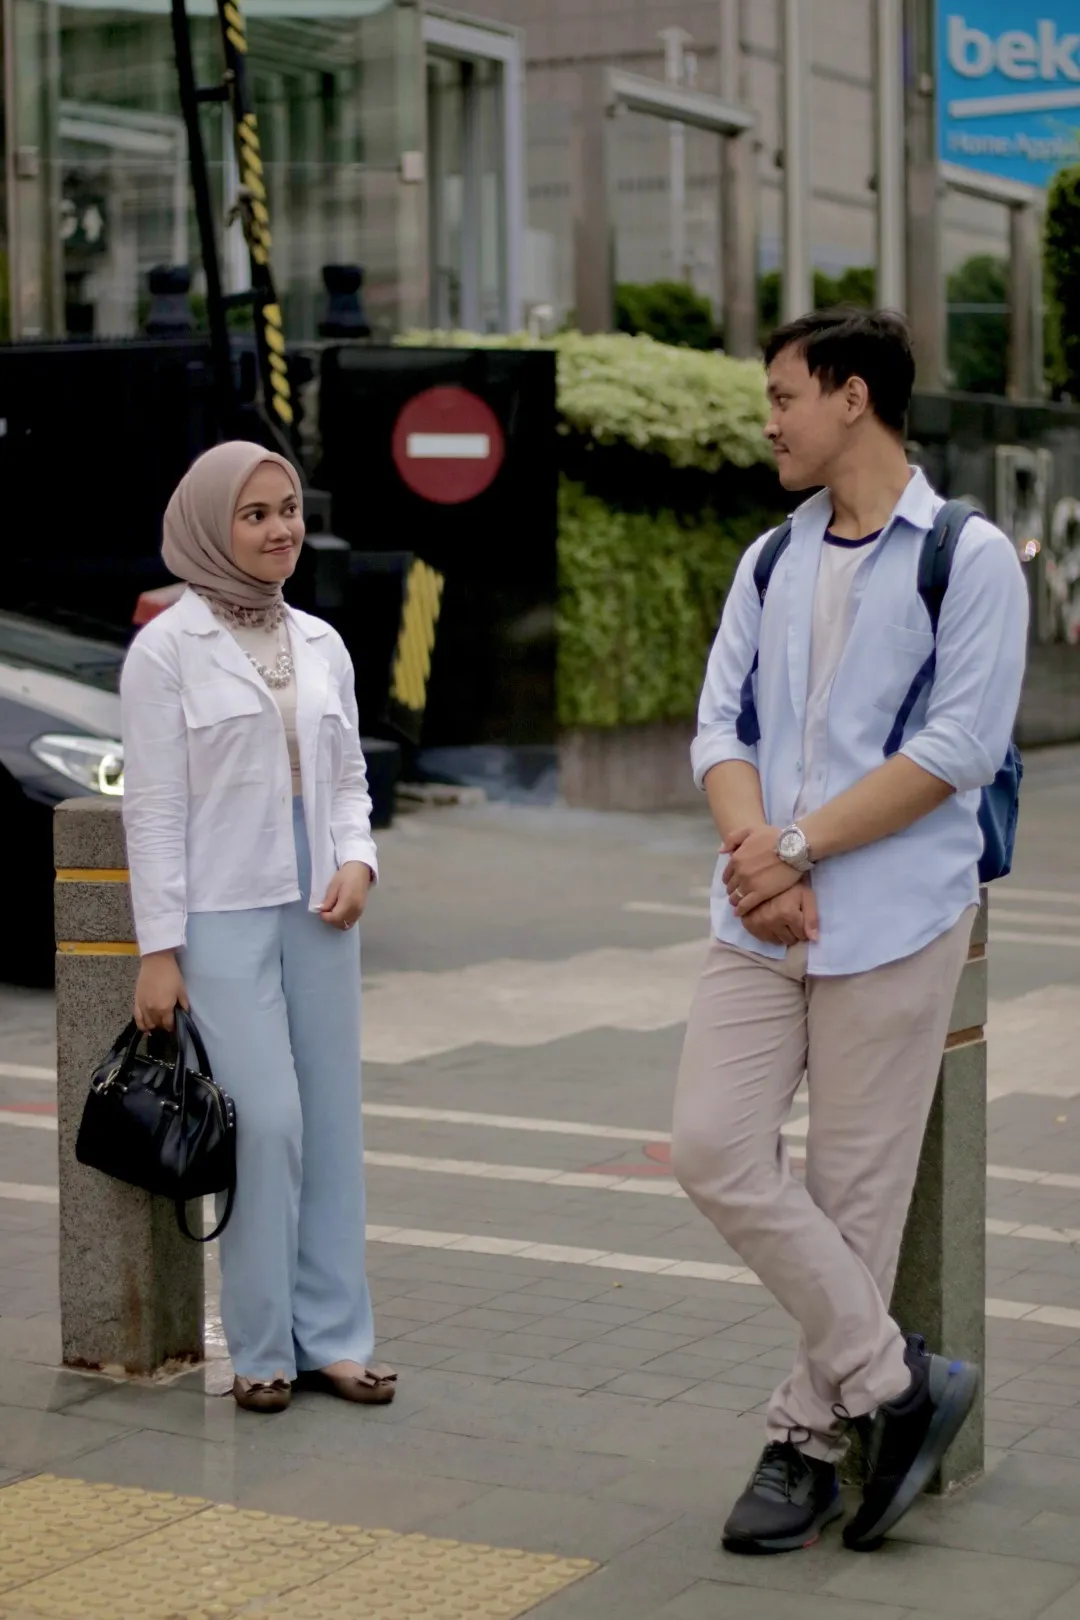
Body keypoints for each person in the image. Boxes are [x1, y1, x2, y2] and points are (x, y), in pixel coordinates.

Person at [671, 309, 1028, 1555]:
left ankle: (807, 1443)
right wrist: (760, 860)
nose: (769, 421)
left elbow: (959, 746)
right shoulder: (771, 558)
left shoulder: (969, 558)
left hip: (896, 916)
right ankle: (897, 1379)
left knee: (851, 1196)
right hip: (761, 913)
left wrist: (799, 845)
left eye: (784, 396)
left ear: (854, 397)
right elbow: (719, 727)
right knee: (712, 1148)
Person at [121, 440, 395, 1415]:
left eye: (288, 510)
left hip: (320, 899)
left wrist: (359, 859)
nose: (282, 530)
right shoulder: (166, 650)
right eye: (256, 515)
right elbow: (153, 809)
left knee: (330, 1122)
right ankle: (263, 1347)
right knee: (266, 1122)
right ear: (210, 527)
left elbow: (350, 778)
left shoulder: (320, 642)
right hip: (220, 903)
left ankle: (336, 1341)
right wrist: (159, 949)